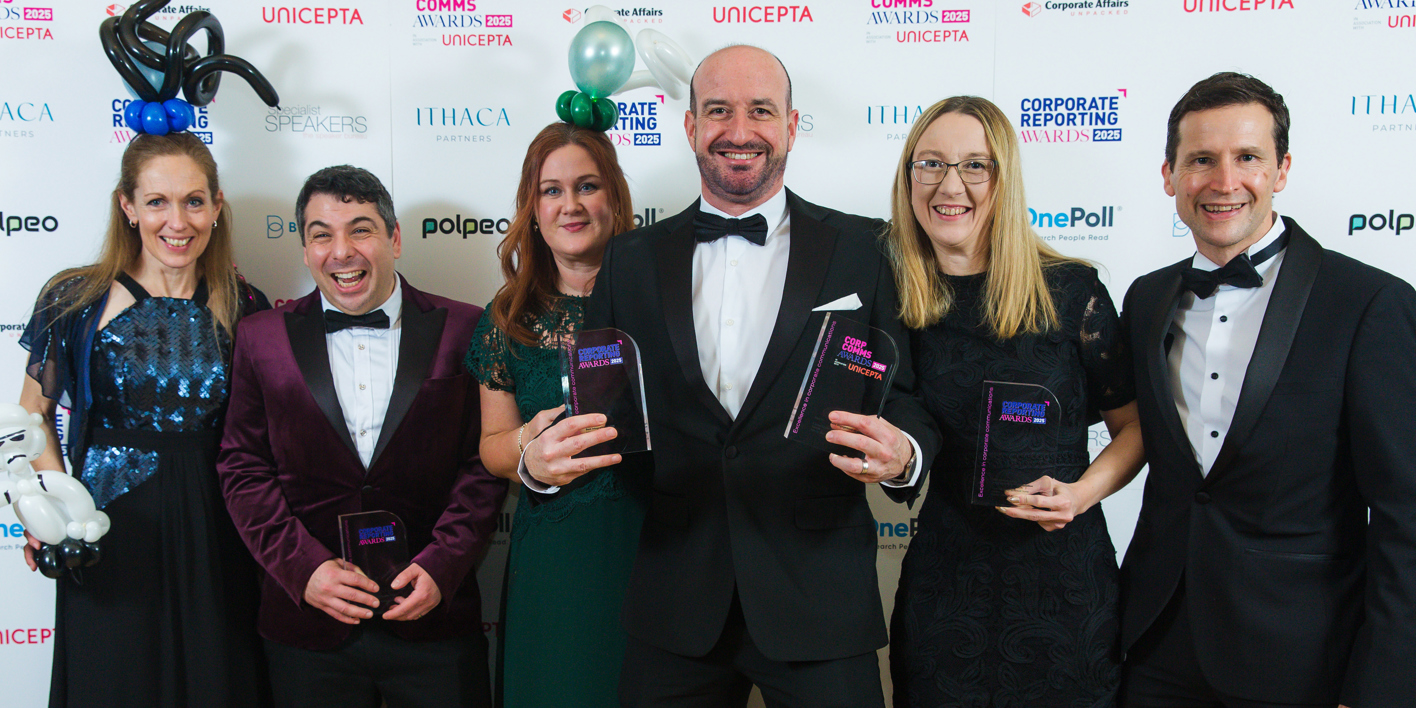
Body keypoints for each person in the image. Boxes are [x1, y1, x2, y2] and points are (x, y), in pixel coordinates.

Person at [523, 45, 941, 708]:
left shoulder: (867, 250)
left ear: (791, 126)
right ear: (691, 127)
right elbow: (598, 417)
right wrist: (538, 467)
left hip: (819, 599)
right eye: (718, 111)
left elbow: (908, 398)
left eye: (760, 111)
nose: (739, 131)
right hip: (675, 599)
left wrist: (904, 454)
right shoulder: (629, 260)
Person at [1117, 72, 1416, 707]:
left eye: (1248, 157)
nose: (1224, 182)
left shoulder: (1369, 303)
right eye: (1201, 160)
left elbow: (1406, 515)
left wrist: (1379, 687)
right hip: (1156, 649)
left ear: (1281, 170)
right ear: (1170, 175)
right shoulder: (1145, 299)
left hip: (1304, 662)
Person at [881, 96, 1145, 707]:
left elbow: (1134, 428)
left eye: (975, 165)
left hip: (1065, 588)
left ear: (1004, 179)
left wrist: (1082, 493)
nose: (951, 185)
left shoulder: (1071, 291)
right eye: (931, 163)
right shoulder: (892, 301)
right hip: (945, 589)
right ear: (909, 177)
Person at [216, 166, 507, 708]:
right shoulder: (259, 338)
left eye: (361, 230)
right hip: (307, 629)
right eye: (321, 235)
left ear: (394, 239)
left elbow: (482, 463)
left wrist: (442, 565)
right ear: (305, 250)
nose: (341, 252)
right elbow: (243, 468)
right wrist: (303, 570)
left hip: (433, 622)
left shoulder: (466, 328)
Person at [17, 131, 271, 708]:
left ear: (216, 205)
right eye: (157, 201)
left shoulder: (246, 305)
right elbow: (32, 417)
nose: (177, 221)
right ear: (128, 206)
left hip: (218, 528)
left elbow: (261, 435)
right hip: (108, 527)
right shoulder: (74, 300)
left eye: (193, 201)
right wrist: (49, 507)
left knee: (217, 680)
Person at [463, 122, 643, 707]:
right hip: (556, 557)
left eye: (587, 186)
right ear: (532, 208)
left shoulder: (662, 300)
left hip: (658, 546)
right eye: (552, 190)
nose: (571, 205)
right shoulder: (507, 317)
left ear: (614, 197)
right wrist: (528, 450)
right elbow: (492, 444)